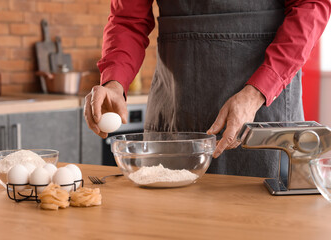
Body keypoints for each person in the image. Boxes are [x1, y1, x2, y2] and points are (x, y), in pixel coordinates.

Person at [84, 0, 331, 177]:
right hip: (176, 110)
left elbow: (311, 6)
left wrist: (257, 91)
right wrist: (114, 81)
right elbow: (128, 19)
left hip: (263, 109)